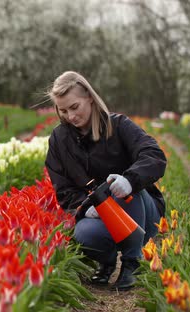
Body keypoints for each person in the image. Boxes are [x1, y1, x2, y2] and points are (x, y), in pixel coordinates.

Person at [44, 71, 166, 291]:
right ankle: (106, 262)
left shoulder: (119, 126)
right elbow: (63, 189)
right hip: (100, 215)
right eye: (63, 111)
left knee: (127, 192)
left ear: (90, 97)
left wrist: (130, 179)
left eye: (74, 107)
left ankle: (132, 262)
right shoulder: (59, 140)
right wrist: (87, 206)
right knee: (83, 233)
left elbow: (154, 155)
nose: (70, 116)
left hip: (140, 212)